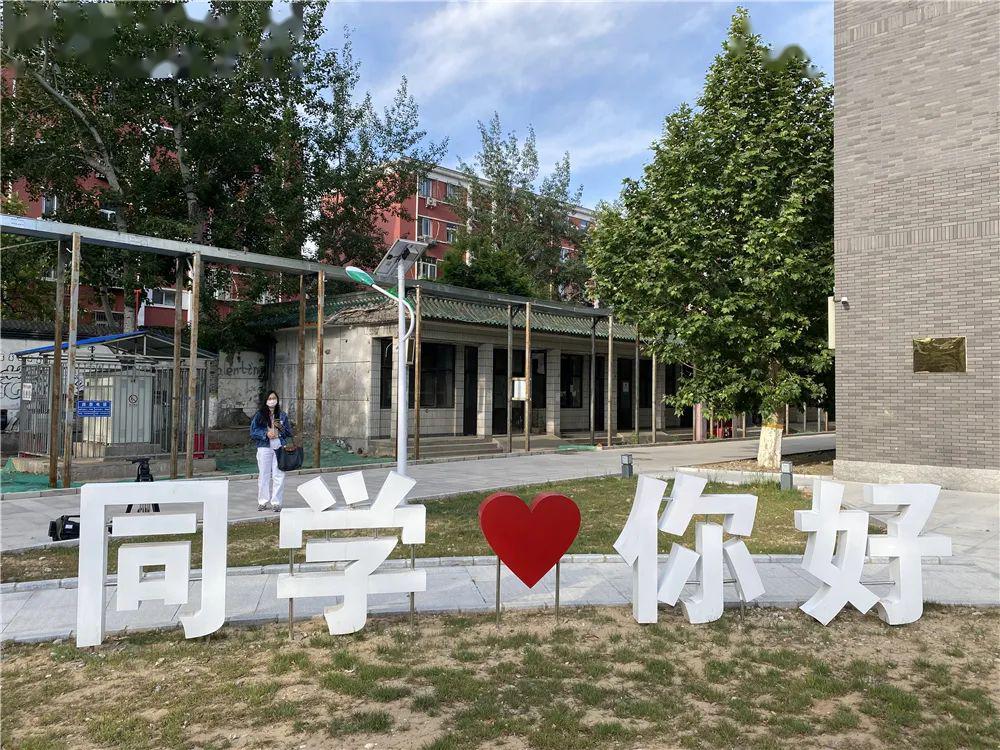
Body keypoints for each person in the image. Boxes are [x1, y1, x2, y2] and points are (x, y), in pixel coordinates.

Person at [250, 390, 292, 511]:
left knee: (279, 474)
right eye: (269, 398)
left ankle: (276, 502)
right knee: (264, 474)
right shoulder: (260, 415)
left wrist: (281, 429)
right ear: (266, 401)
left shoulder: (282, 415)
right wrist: (265, 434)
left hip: (279, 447)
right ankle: (262, 501)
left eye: (274, 398)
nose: (272, 400)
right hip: (264, 447)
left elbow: (289, 432)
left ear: (277, 400)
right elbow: (253, 431)